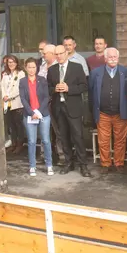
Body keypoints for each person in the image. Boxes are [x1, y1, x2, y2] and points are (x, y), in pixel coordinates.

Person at [48, 45, 89, 176]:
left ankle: (83, 165)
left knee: (78, 137)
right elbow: (47, 88)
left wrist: (69, 89)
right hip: (58, 108)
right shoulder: (52, 69)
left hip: (73, 107)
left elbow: (84, 86)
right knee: (63, 137)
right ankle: (68, 163)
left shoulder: (76, 67)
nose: (59, 56)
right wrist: (55, 89)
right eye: (56, 54)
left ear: (66, 53)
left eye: (61, 53)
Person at [88, 47, 127, 171]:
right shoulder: (96, 73)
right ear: (105, 58)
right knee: (103, 141)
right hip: (103, 113)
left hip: (120, 112)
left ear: (118, 58)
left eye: (114, 57)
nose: (112, 59)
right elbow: (91, 92)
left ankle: (119, 163)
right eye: (110, 57)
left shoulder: (125, 72)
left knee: (120, 140)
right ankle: (105, 164)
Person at [19, 57, 54, 176]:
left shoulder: (42, 80)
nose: (32, 69)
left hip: (43, 114)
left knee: (46, 140)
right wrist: (31, 112)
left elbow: (46, 97)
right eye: (29, 67)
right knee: (32, 141)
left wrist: (38, 112)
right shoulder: (22, 81)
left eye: (34, 67)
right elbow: (23, 99)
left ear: (37, 68)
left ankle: (49, 164)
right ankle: (32, 166)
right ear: (25, 68)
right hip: (29, 115)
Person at [1, 55, 26, 154]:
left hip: (17, 103)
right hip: (7, 103)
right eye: (9, 62)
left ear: (17, 63)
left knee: (18, 124)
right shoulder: (5, 74)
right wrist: (4, 95)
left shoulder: (21, 73)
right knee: (10, 125)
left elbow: (20, 88)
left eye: (13, 62)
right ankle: (13, 143)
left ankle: (20, 144)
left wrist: (10, 96)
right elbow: (2, 86)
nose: (11, 64)